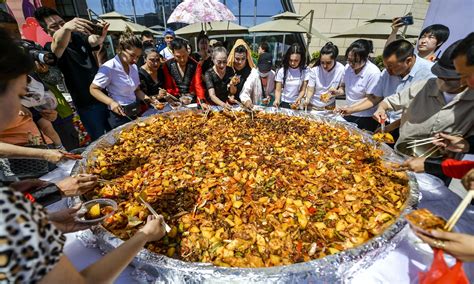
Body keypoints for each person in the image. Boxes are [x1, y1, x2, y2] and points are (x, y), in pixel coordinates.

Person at [0, 29, 167, 282]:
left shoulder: (11, 209)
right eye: (21, 95)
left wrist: (46, 220)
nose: (24, 109)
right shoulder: (8, 213)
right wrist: (143, 236)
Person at [373, 40, 474, 147]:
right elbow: (390, 102)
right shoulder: (426, 85)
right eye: (440, 77)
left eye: (449, 79)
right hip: (404, 150)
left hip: (438, 160)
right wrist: (381, 109)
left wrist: (465, 144)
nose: (441, 82)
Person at [34, 7, 112, 141]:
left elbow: (93, 41)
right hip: (86, 103)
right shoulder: (49, 48)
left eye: (61, 23)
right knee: (101, 141)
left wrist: (101, 35)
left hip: (105, 95)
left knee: (116, 134)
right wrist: (65, 29)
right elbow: (57, 46)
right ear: (47, 31)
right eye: (54, 26)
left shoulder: (78, 37)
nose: (60, 26)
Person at [337, 39, 434, 138]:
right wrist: (351, 109)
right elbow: (375, 98)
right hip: (386, 123)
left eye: (391, 67)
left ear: (408, 61)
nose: (388, 71)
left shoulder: (429, 75)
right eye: (386, 67)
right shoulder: (386, 73)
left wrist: (390, 128)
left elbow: (416, 112)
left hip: (410, 128)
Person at [90, 29, 150, 129]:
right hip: (118, 115)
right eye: (132, 55)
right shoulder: (108, 67)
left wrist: (148, 99)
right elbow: (93, 89)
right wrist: (111, 102)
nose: (135, 60)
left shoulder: (133, 67)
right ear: (119, 49)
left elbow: (136, 90)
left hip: (134, 110)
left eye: (138, 57)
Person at [338, 39, 381, 132]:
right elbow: (343, 87)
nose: (351, 64)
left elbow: (371, 99)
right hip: (349, 113)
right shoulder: (348, 68)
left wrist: (352, 109)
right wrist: (336, 92)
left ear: (366, 58)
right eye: (349, 60)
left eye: (356, 61)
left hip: (365, 117)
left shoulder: (373, 73)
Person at [162, 39, 206, 106]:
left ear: (187, 51)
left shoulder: (195, 65)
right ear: (173, 53)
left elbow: (198, 85)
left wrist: (202, 101)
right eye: (178, 57)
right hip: (175, 101)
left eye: (184, 55)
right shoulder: (167, 65)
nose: (182, 59)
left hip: (192, 101)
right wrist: (179, 98)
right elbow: (169, 86)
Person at [303, 42, 344, 110]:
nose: (325, 66)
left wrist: (337, 92)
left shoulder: (341, 69)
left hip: (329, 106)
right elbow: (310, 89)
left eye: (328, 63)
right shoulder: (315, 70)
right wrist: (307, 100)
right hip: (313, 105)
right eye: (322, 62)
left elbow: (342, 89)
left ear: (335, 59)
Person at [273, 43, 308, 109]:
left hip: (297, 102)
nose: (292, 63)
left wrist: (298, 99)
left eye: (296, 61)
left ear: (301, 59)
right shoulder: (282, 71)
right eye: (290, 60)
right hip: (284, 102)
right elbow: (278, 90)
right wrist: (277, 99)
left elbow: (303, 90)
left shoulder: (305, 71)